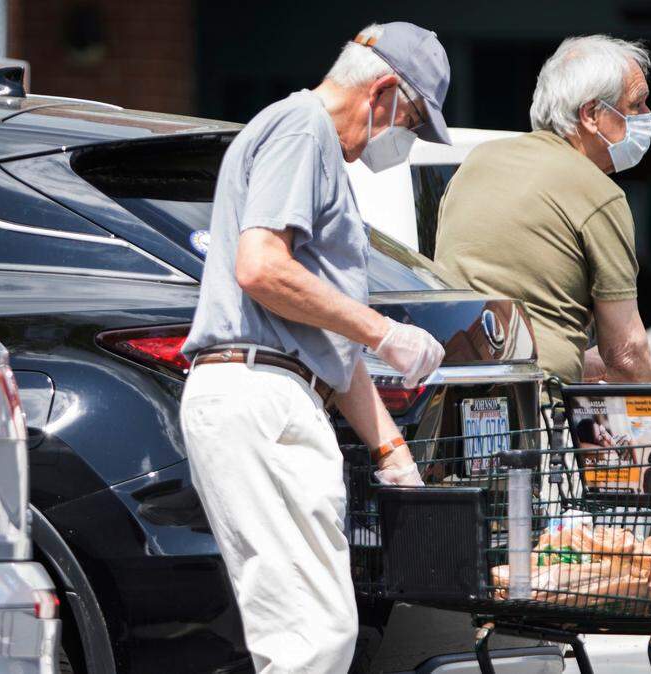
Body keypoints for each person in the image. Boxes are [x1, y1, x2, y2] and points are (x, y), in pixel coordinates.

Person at [178, 22, 450, 673]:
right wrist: (381, 330)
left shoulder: (310, 143)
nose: (404, 141)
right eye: (410, 121)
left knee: (315, 631)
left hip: (273, 392)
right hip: (259, 393)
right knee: (312, 638)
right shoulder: (304, 129)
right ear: (382, 90)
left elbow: (322, 335)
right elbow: (261, 267)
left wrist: (392, 451)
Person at [434, 35, 651, 384]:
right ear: (591, 115)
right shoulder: (599, 194)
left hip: (455, 385)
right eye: (637, 105)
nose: (648, 116)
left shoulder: (478, 161)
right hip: (535, 409)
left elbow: (538, 328)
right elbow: (626, 353)